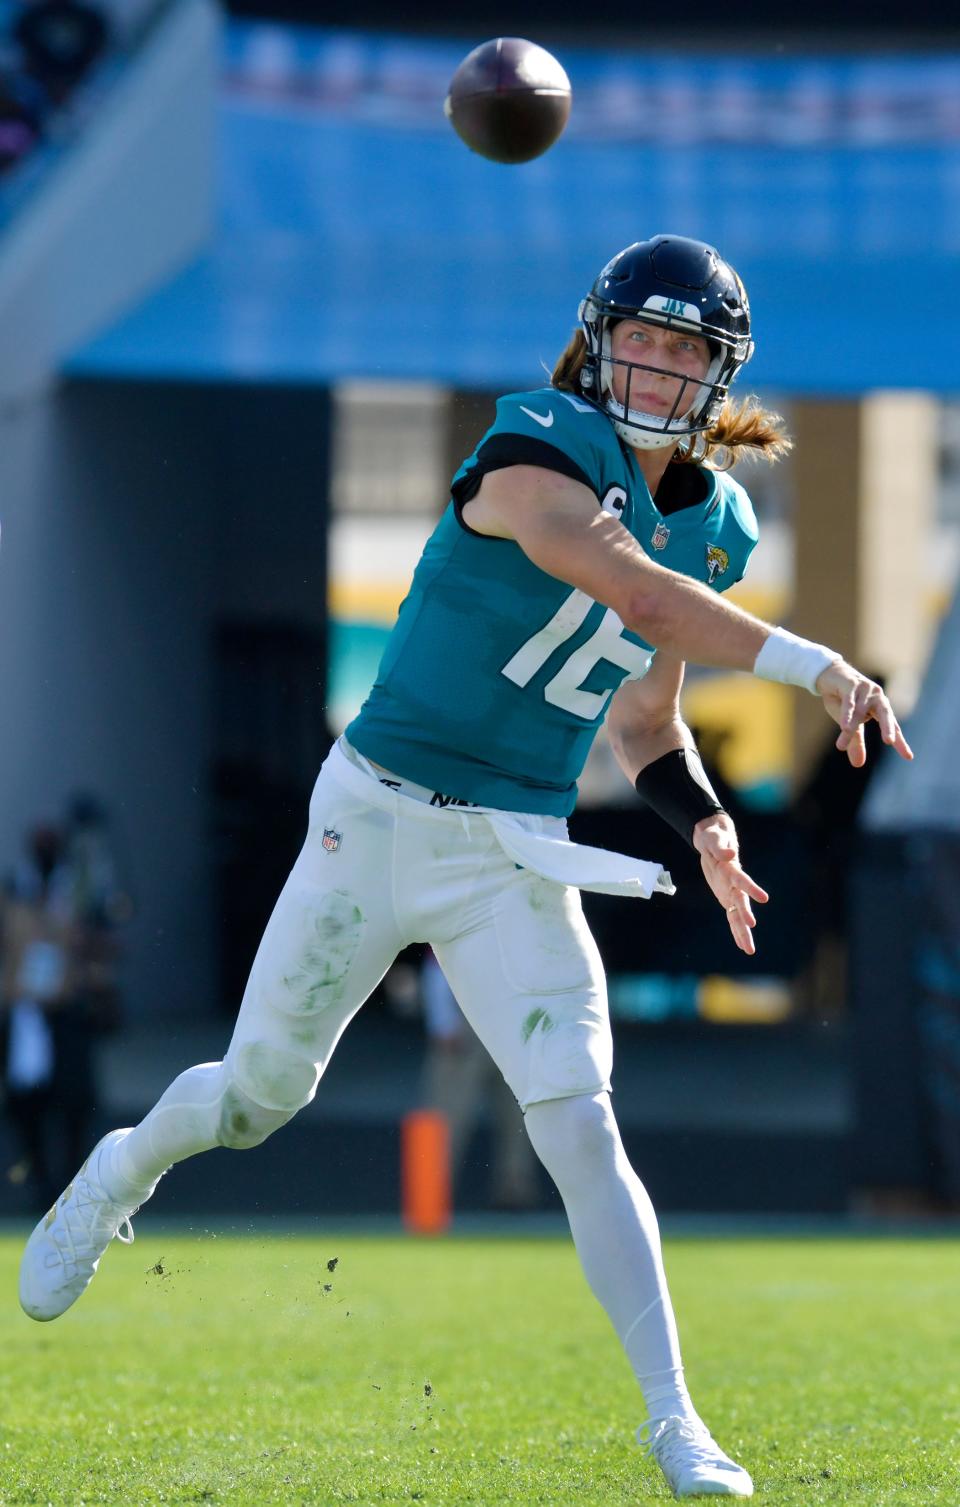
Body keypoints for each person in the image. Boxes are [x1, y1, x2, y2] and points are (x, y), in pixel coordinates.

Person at [20, 235, 911, 1499]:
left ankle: (679, 1425)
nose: (655, 364)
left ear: (719, 374)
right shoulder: (533, 443)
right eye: (641, 338)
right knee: (261, 1095)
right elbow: (629, 592)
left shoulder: (717, 523)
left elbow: (647, 719)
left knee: (579, 1119)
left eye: (683, 348)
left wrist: (705, 820)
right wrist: (816, 664)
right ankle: (120, 1168)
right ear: (600, 338)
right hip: (378, 816)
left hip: (511, 850)